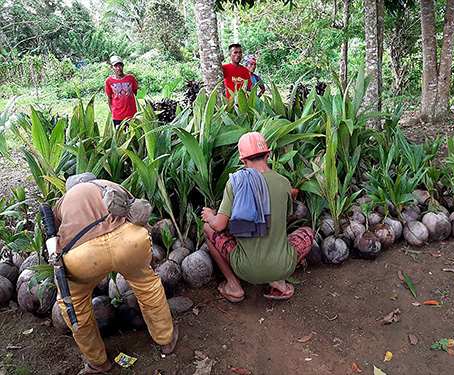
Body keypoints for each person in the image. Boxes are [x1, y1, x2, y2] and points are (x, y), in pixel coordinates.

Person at [53, 175, 178, 373]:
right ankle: (166, 340)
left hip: (83, 254)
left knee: (76, 306)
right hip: (128, 240)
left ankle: (98, 362)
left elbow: (53, 239)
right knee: (148, 287)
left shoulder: (63, 201)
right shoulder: (108, 184)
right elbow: (136, 213)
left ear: (69, 190)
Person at [201, 132, 314, 302]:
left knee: (207, 228)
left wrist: (210, 215)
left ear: (242, 160)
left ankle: (234, 286)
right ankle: (280, 283)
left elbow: (218, 226)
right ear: (268, 154)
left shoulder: (236, 183)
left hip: (246, 269)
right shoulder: (283, 182)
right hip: (282, 265)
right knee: (307, 232)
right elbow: (285, 216)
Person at [105, 55, 138, 127]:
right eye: (116, 66)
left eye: (120, 66)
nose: (118, 68)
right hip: (117, 115)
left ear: (123, 66)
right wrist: (113, 111)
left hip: (131, 114)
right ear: (111, 67)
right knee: (120, 136)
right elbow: (109, 98)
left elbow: (135, 92)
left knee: (133, 135)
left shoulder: (131, 78)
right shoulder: (109, 81)